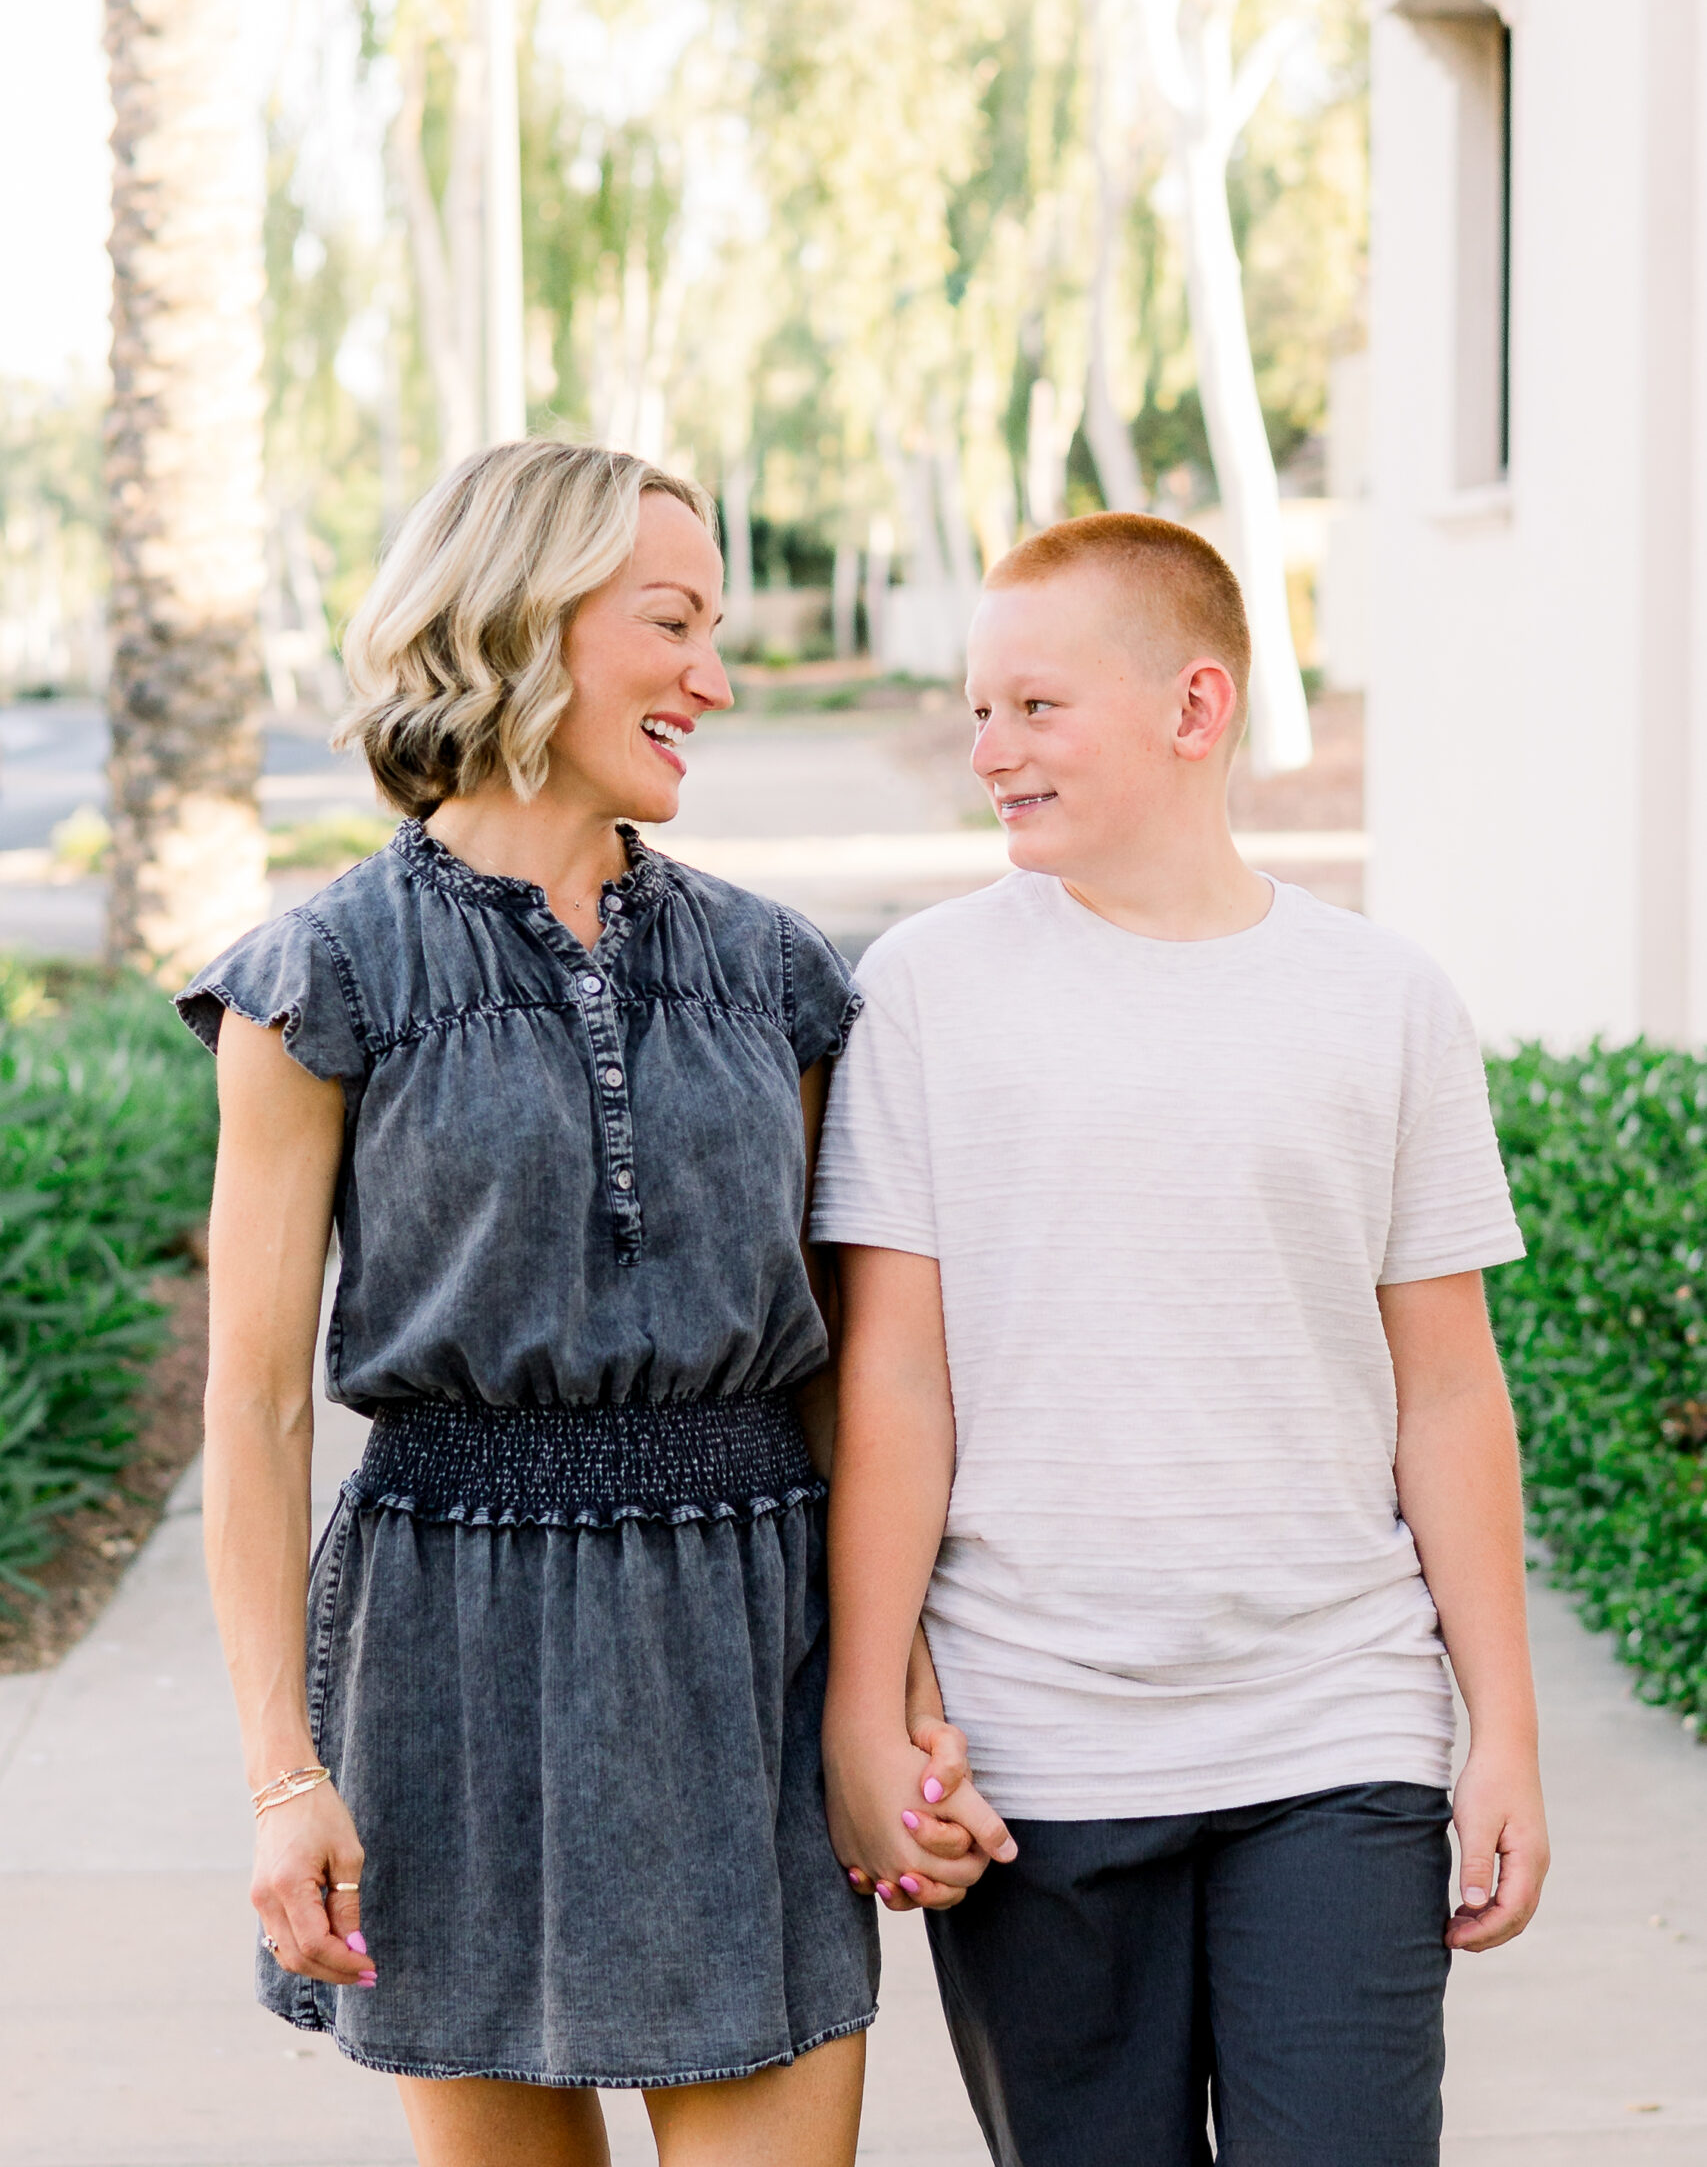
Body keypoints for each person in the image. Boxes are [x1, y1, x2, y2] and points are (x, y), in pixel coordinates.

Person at [178, 440, 992, 2167]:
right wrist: (279, 1773)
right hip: (447, 1662)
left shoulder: (775, 977)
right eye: (674, 621)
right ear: (525, 621)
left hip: (740, 1646)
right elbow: (248, 1414)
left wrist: (889, 1693)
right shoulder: (321, 980)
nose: (715, 674)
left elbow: (848, 1378)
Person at [812, 511, 1550, 2167]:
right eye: (981, 708)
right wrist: (869, 1709)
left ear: (1197, 708)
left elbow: (1446, 1391)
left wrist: (1500, 1727)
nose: (990, 749)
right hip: (1033, 1752)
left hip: (1339, 1730)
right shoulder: (926, 993)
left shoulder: (1385, 1001)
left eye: (1037, 708)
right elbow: (896, 1380)